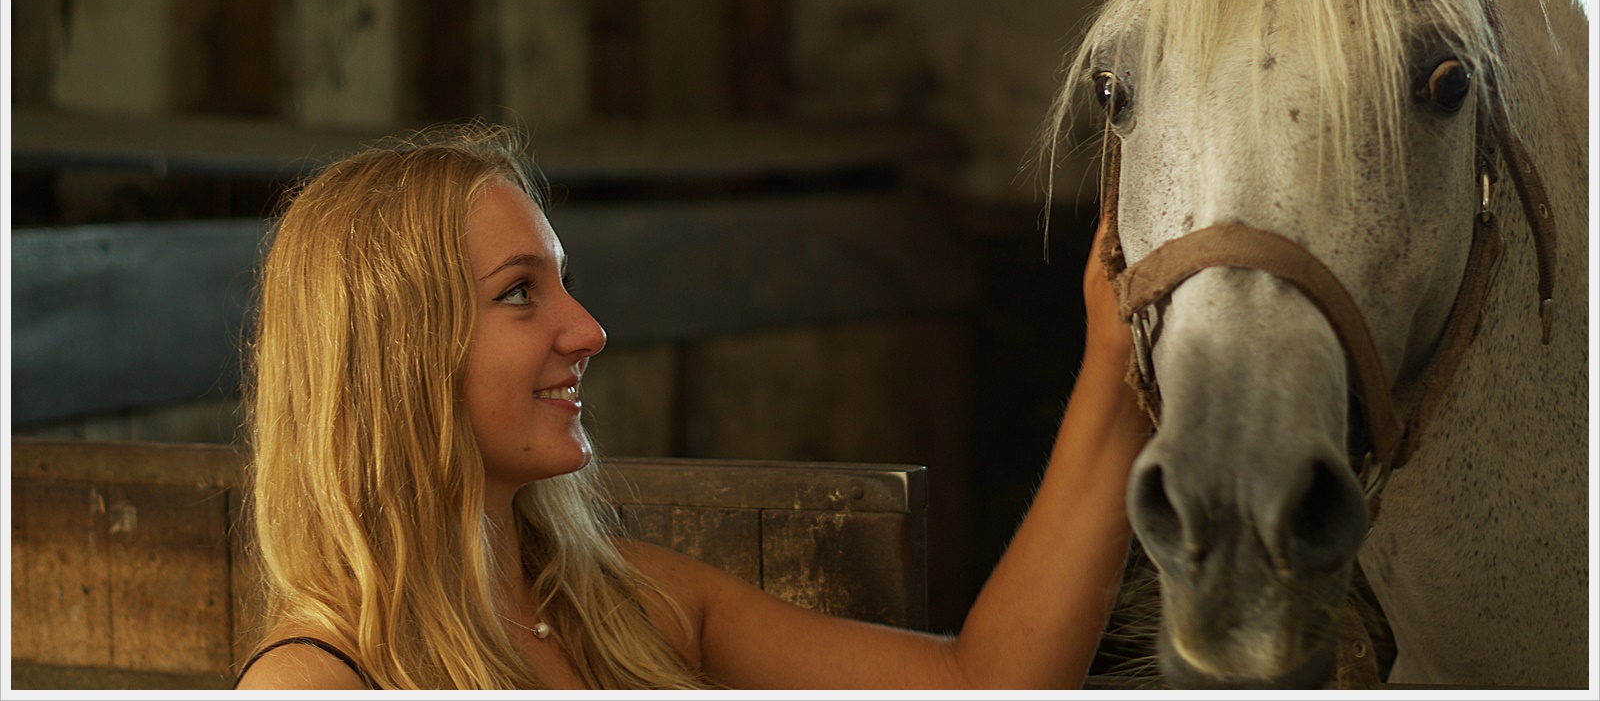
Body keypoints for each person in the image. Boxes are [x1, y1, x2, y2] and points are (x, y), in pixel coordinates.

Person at [234, 121, 1147, 690]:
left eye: (567, 284)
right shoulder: (316, 683)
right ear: (398, 350)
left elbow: (984, 682)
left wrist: (1116, 352)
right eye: (521, 292)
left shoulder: (631, 606)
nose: (587, 329)